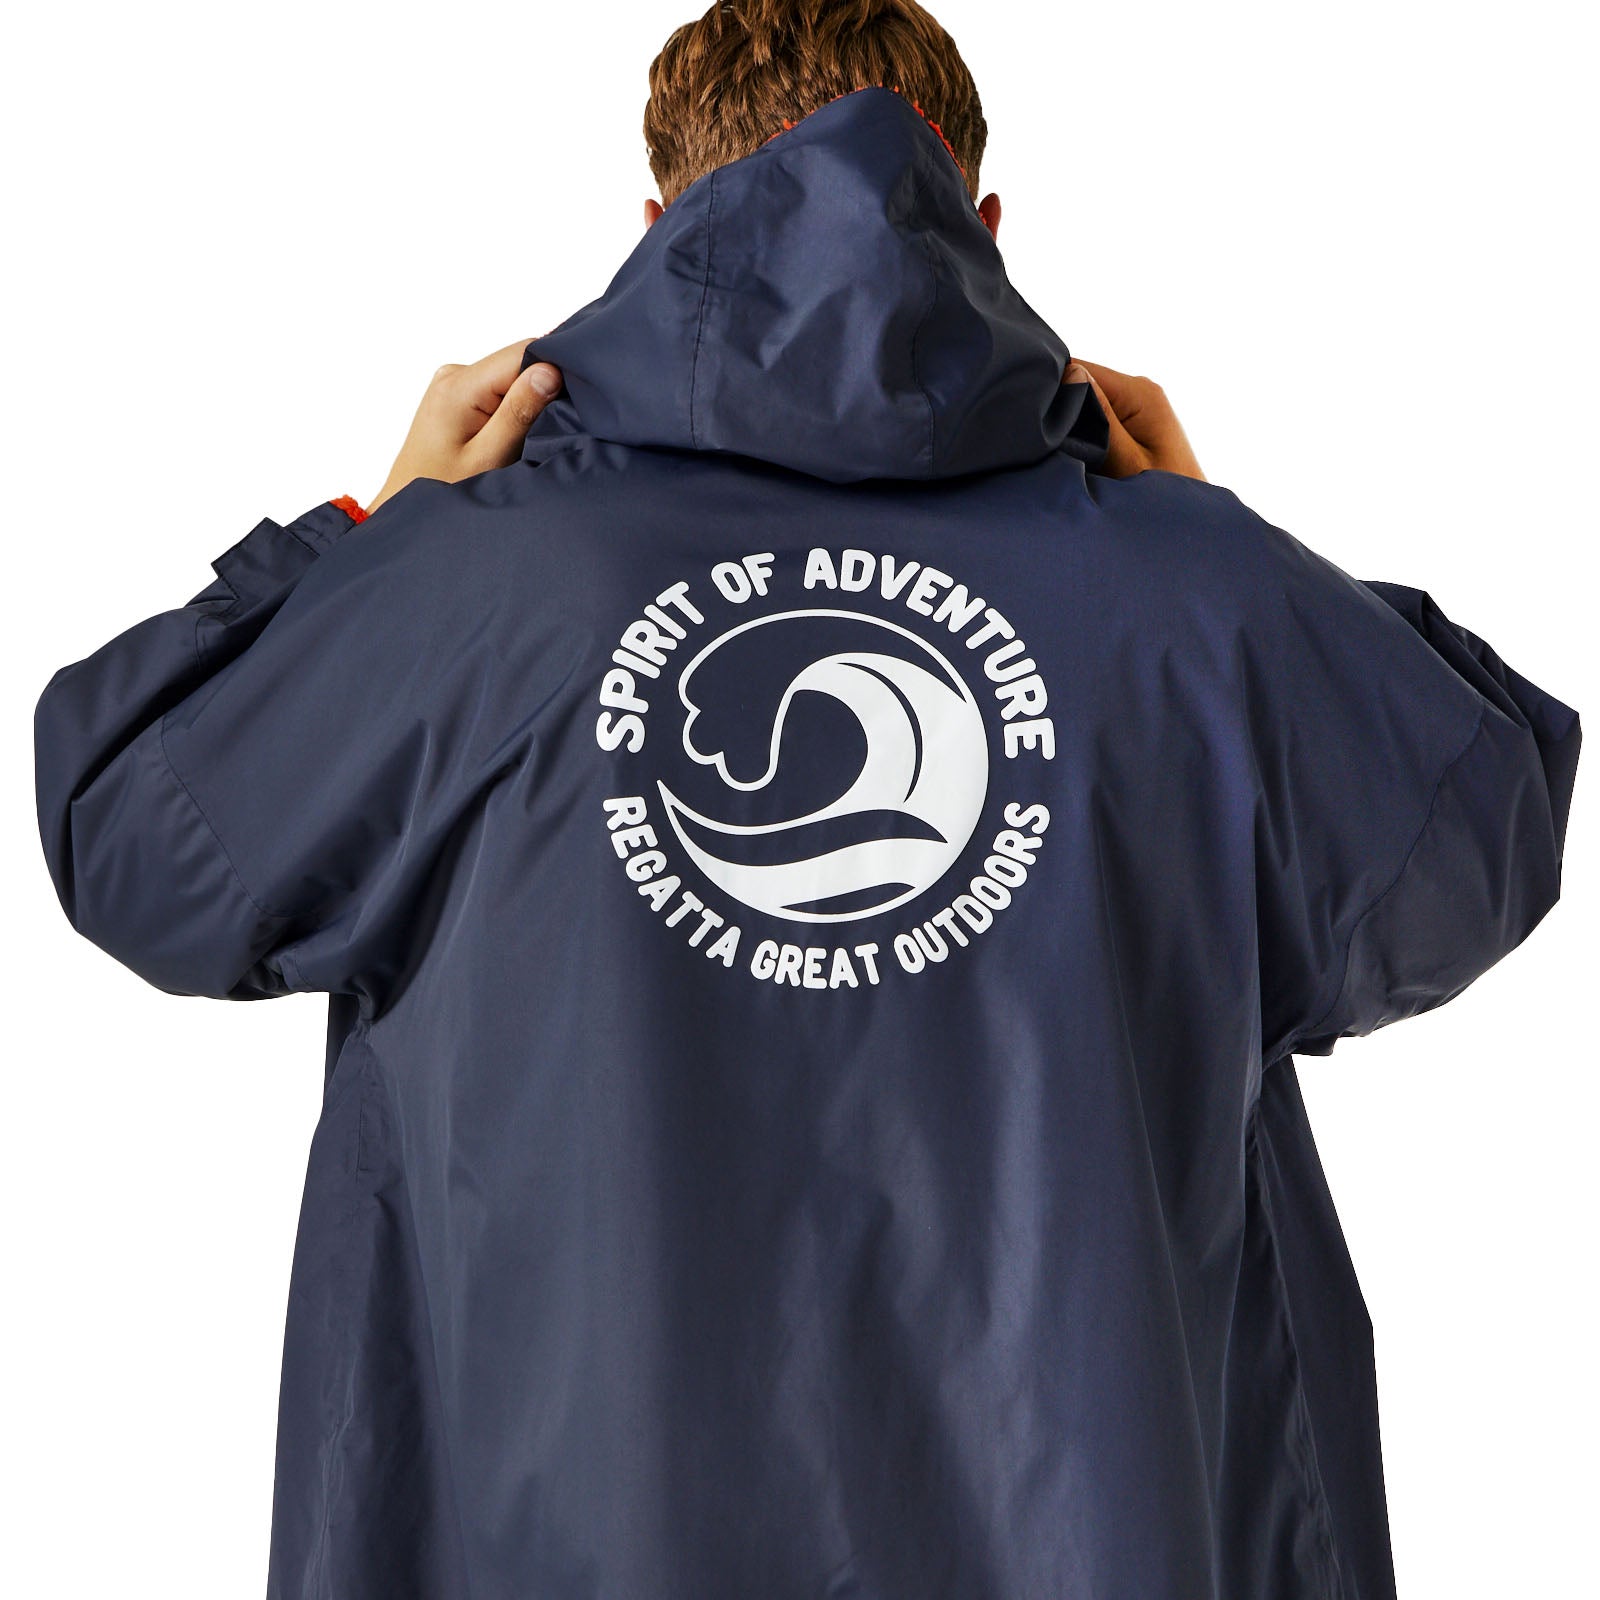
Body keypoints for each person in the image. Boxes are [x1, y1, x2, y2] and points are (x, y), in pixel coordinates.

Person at [31, 2, 1579, 1597]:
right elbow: (1471, 837)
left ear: (657, 226)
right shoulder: (1190, 606)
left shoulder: (460, 592)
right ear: (984, 227)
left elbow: (137, 839)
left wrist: (368, 531)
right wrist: (1216, 537)